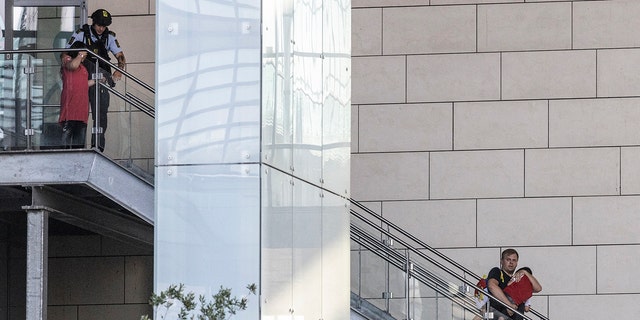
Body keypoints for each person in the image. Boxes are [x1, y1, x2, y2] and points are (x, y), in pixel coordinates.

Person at [66, 8, 127, 151]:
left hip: (101, 79)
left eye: (104, 26)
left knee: (101, 115)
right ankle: (76, 147)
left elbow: (120, 56)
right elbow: (66, 53)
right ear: (93, 22)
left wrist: (119, 70)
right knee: (78, 113)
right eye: (99, 24)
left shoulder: (109, 37)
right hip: (83, 77)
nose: (101, 28)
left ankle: (97, 147)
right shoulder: (82, 34)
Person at [485, 249, 541, 320]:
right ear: (501, 261)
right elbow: (492, 286)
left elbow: (538, 288)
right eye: (508, 259)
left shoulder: (518, 278)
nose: (511, 262)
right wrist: (509, 305)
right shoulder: (497, 271)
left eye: (514, 260)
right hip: (498, 314)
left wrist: (524, 272)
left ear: (517, 263)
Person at [59, 41, 95, 148]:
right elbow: (72, 66)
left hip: (82, 110)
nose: (84, 57)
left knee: (79, 146)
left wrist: (97, 80)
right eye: (83, 54)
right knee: (65, 145)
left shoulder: (83, 68)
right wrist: (80, 55)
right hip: (70, 109)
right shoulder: (68, 60)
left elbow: (84, 84)